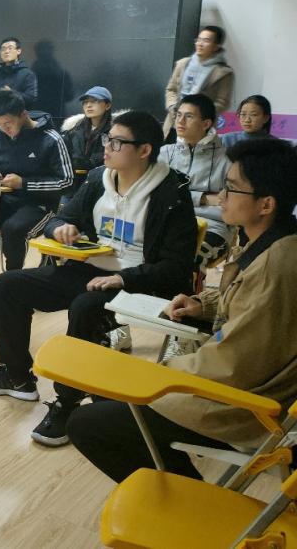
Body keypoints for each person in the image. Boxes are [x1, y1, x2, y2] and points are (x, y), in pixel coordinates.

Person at [67, 139, 297, 482]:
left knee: (89, 423)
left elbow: (235, 362)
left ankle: (190, 497)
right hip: (241, 385)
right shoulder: (270, 241)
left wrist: (163, 373)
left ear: (266, 204)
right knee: (108, 396)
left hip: (245, 405)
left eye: (232, 189)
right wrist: (203, 305)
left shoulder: (276, 264)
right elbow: (246, 303)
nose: (221, 197)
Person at [0, 111, 196, 447]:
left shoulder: (171, 192)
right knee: (8, 285)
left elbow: (176, 267)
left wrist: (123, 278)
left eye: (117, 142)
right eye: (107, 139)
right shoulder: (97, 178)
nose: (107, 147)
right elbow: (59, 218)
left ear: (145, 150)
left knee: (85, 306)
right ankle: (16, 376)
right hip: (88, 269)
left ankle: (68, 400)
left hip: (139, 282)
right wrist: (60, 228)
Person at [0, 90, 73, 271]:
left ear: (23, 115)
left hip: (40, 205)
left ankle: (12, 277)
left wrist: (23, 183)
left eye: (8, 123)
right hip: (4, 201)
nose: (3, 128)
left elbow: (66, 181)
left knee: (13, 229)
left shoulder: (51, 139)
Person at [159, 93, 233, 267]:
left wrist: (179, 195)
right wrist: (204, 198)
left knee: (186, 260)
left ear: (206, 124)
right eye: (178, 115)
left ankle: (191, 286)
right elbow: (159, 193)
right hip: (168, 221)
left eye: (189, 116)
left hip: (213, 225)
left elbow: (227, 200)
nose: (180, 121)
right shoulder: (165, 153)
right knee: (151, 253)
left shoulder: (228, 159)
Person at [163, 25, 234, 135]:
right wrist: (172, 106)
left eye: (206, 41)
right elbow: (171, 89)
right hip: (174, 120)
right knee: (168, 145)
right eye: (198, 40)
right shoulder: (183, 64)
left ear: (216, 46)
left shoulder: (223, 72)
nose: (200, 44)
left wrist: (198, 113)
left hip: (199, 125)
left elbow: (222, 102)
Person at [61, 86, 113, 200]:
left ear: (107, 105)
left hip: (102, 187)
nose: (88, 105)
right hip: (73, 188)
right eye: (85, 102)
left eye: (94, 101)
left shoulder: (115, 132)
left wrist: (88, 163)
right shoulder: (73, 131)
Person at [0, 37, 38, 108]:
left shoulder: (27, 74)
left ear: (18, 51)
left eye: (10, 48)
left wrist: (12, 94)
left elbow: (31, 98)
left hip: (19, 113)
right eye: (3, 49)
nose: (6, 51)